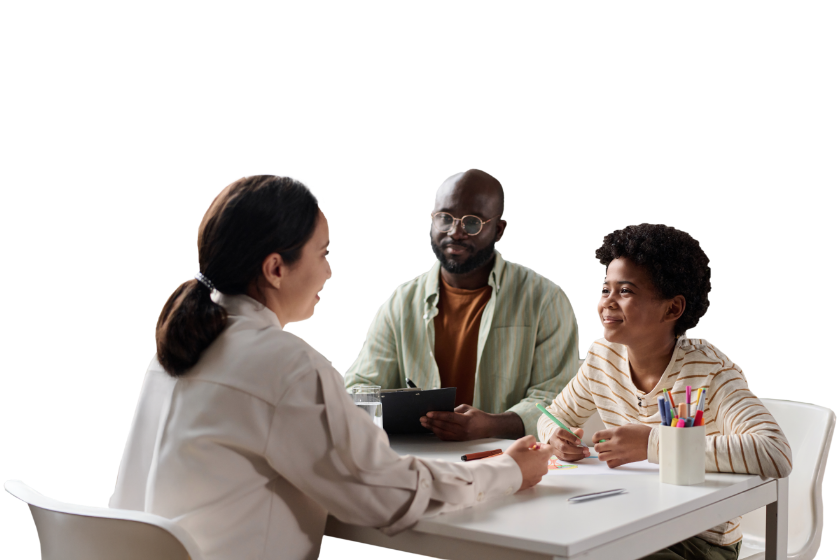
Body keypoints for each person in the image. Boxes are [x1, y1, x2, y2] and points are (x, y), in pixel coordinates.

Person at [108, 174, 553, 560]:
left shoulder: (179, 347)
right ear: (276, 268)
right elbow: (385, 495)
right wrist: (509, 471)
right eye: (322, 254)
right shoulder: (284, 365)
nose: (328, 274)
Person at [539, 223, 792, 560]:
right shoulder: (602, 357)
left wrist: (652, 444)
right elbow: (553, 415)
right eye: (605, 290)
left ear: (672, 309)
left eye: (625, 291)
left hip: (698, 540)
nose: (607, 303)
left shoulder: (709, 372)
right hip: (626, 522)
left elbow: (774, 452)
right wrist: (557, 435)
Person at [344, 168, 579, 441]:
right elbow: (361, 387)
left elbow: (556, 399)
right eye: (444, 218)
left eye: (472, 223)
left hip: (509, 459)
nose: (455, 232)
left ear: (499, 230)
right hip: (418, 459)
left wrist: (491, 425)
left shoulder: (544, 299)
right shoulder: (401, 302)